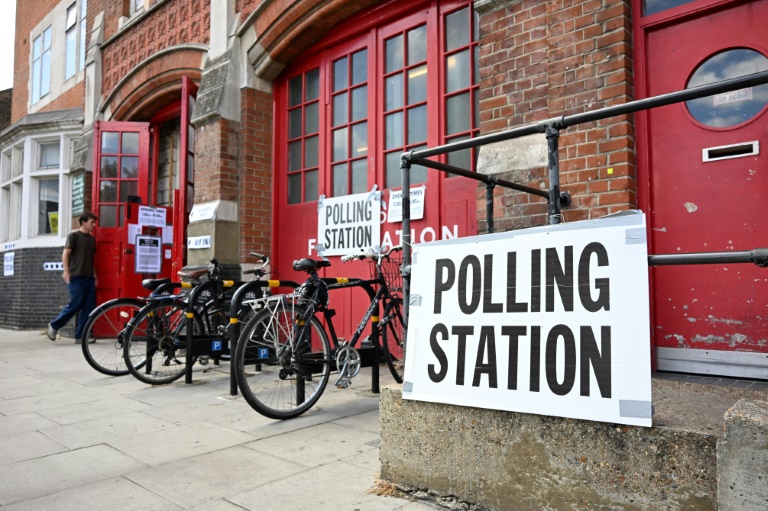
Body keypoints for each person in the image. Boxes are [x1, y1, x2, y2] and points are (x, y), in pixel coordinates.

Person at [47, 212, 98, 344]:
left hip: (89, 278)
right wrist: (66, 271)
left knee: (89, 307)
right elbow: (66, 253)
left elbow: (90, 259)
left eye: (94, 222)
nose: (94, 225)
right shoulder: (74, 235)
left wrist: (95, 275)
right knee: (75, 304)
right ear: (83, 222)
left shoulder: (92, 240)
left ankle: (80, 336)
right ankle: (54, 326)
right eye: (92, 222)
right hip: (76, 276)